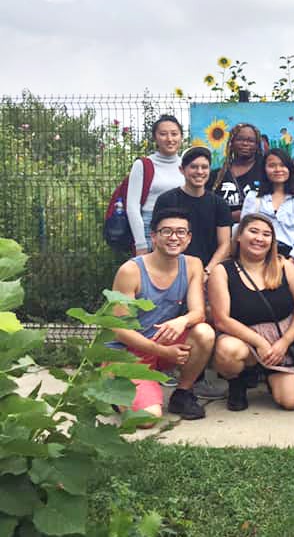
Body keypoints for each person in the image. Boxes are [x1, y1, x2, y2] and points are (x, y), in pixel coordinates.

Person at [109, 207, 211, 422]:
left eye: (181, 232)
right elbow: (119, 330)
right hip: (129, 351)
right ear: (153, 236)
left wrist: (182, 321)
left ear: (189, 238)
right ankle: (115, 385)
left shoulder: (193, 265)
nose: (174, 237)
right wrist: (164, 352)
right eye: (166, 231)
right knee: (146, 419)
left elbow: (198, 312)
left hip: (165, 344)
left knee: (204, 333)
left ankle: (182, 393)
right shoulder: (131, 270)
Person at [209, 213, 294, 411]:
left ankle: (270, 375)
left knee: (291, 402)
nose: (259, 238)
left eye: (266, 234)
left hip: (282, 339)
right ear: (239, 236)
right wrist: (260, 343)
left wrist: (284, 342)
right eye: (253, 231)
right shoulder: (223, 271)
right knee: (228, 351)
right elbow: (222, 320)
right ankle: (239, 380)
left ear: (272, 241)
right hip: (244, 339)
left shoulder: (284, 266)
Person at [154, 146, 231, 274]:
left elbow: (225, 244)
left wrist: (207, 272)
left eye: (204, 167)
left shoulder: (219, 204)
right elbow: (158, 239)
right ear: (182, 170)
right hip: (172, 270)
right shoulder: (166, 200)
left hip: (209, 270)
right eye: (193, 167)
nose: (199, 172)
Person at [126, 115, 185, 255]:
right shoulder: (143, 165)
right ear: (155, 138)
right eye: (163, 134)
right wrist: (141, 243)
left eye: (174, 134)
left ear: (181, 137)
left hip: (181, 227)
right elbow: (132, 207)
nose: (170, 139)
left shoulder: (187, 165)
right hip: (150, 226)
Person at [241, 148, 294, 265]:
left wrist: (291, 260)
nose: (278, 170)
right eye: (272, 165)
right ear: (264, 169)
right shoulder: (253, 197)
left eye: (283, 165)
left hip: (287, 256)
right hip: (257, 253)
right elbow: (243, 230)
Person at [208, 123, 266, 223]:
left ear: (257, 145)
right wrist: (230, 216)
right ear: (232, 142)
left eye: (250, 140)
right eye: (240, 139)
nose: (245, 143)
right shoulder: (216, 176)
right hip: (223, 234)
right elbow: (207, 209)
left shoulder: (265, 172)